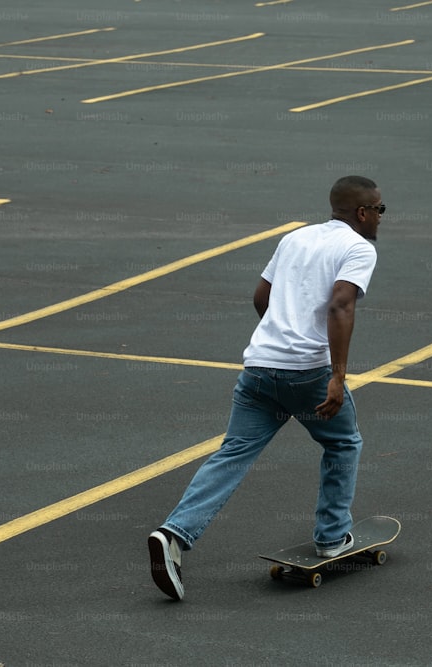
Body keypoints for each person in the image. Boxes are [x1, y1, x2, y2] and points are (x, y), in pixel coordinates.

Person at [148, 175, 385, 600]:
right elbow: (340, 304)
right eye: (380, 211)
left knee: (234, 451)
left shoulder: (295, 239)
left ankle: (173, 535)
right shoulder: (358, 248)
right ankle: (332, 537)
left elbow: (261, 296)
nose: (382, 219)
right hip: (307, 373)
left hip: (259, 366)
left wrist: (278, 338)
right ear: (363, 213)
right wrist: (337, 374)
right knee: (343, 443)